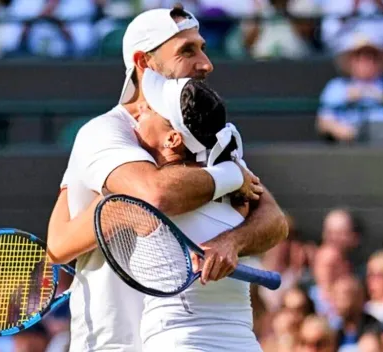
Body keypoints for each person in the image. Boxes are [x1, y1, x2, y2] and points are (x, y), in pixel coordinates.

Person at [46, 5, 288, 352]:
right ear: (144, 62)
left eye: (202, 48)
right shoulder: (103, 132)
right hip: (115, 343)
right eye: (187, 51)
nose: (206, 63)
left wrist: (232, 242)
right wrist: (230, 173)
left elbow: (274, 220)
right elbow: (154, 195)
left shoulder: (205, 129)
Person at [134, 68, 262, 351]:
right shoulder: (239, 196)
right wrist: (233, 174)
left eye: (151, 108)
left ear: (173, 139)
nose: (140, 107)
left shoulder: (148, 193)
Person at [316, 24, 383, 145]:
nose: (366, 61)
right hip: (354, 140)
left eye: (372, 56)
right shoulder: (337, 86)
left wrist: (378, 96)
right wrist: (347, 132)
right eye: (359, 56)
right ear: (349, 61)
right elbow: (324, 123)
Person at [332, 275, 381, 349]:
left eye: (345, 295)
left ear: (360, 297)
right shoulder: (334, 332)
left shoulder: (374, 329)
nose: (339, 301)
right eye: (336, 295)